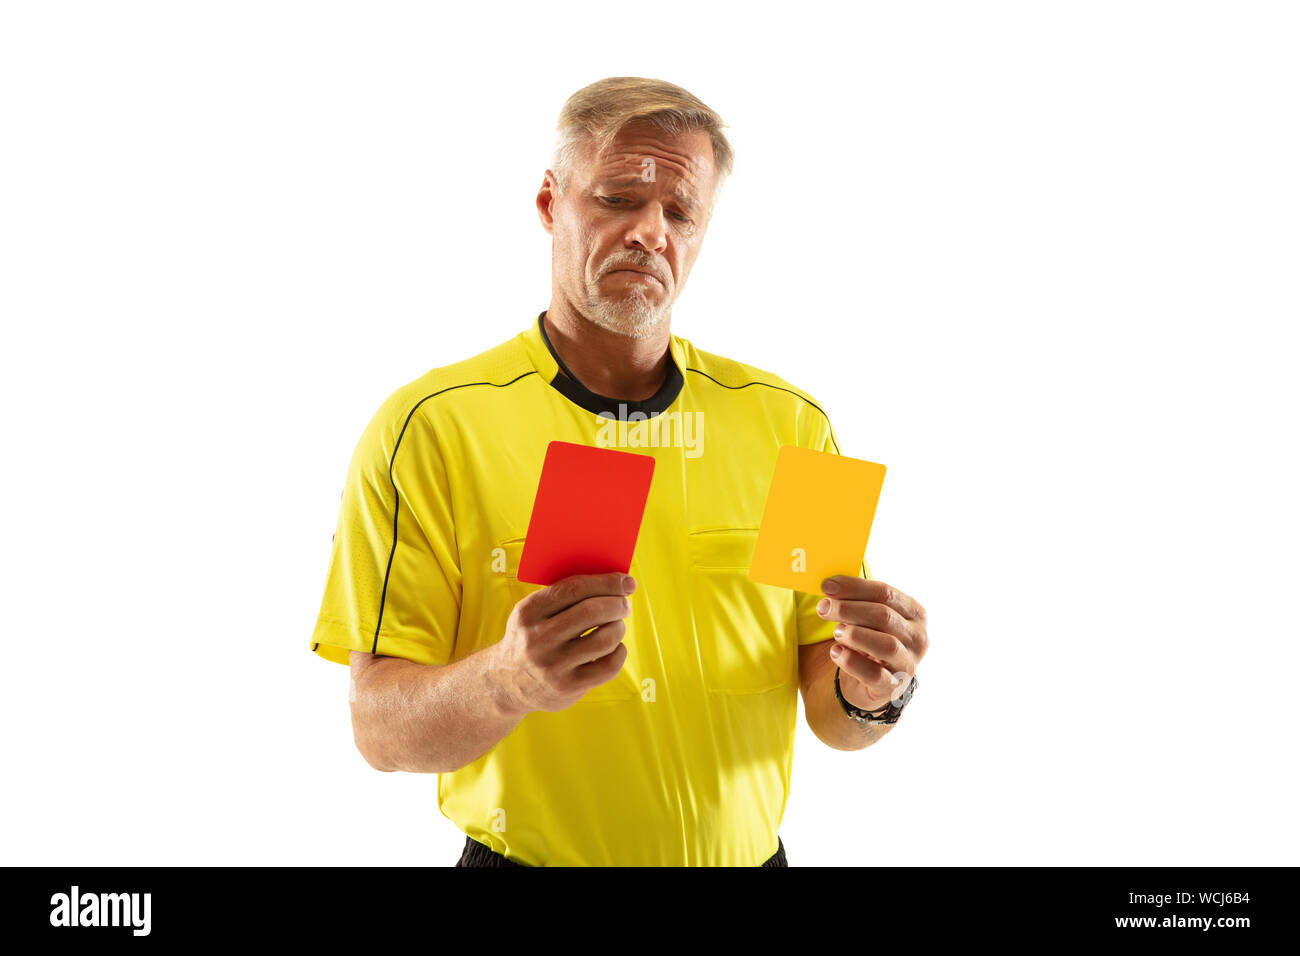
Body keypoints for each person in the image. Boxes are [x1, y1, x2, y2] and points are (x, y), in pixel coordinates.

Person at [310, 76, 929, 867]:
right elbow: (377, 731)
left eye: (679, 212)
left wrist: (876, 692)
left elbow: (834, 711)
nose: (649, 233)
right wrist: (507, 681)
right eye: (615, 200)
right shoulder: (429, 427)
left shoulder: (795, 426)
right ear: (548, 203)